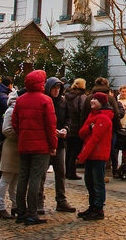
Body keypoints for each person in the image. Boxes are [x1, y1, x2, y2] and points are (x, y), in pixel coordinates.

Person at [12, 69, 57, 225]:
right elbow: (50, 126)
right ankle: (32, 213)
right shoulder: (46, 100)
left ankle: (21, 212)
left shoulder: (20, 100)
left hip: (24, 144)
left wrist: (23, 135)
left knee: (23, 178)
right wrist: (53, 145)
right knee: (35, 179)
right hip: (41, 146)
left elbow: (15, 123)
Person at [76, 91, 114, 221]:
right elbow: (81, 133)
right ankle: (92, 206)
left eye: (95, 100)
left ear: (101, 103)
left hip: (98, 154)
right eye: (92, 99)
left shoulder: (103, 118)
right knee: (89, 182)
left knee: (97, 183)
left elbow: (94, 139)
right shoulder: (92, 115)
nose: (92, 101)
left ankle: (98, 209)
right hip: (91, 154)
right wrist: (89, 129)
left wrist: (81, 157)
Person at [45, 77, 76, 212]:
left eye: (58, 88)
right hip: (46, 142)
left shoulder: (63, 102)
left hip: (60, 142)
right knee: (41, 174)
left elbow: (69, 119)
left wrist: (66, 129)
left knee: (60, 172)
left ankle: (61, 199)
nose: (56, 91)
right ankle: (39, 199)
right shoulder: (45, 101)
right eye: (54, 88)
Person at [0, 93, 20, 219]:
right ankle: (1, 207)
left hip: (17, 147)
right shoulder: (11, 110)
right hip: (11, 147)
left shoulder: (17, 109)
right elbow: (6, 130)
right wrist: (19, 137)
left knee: (15, 179)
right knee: (6, 178)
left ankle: (15, 205)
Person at [64, 78, 88, 181]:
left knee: (68, 150)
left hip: (69, 126)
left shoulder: (67, 96)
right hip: (78, 126)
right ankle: (72, 172)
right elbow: (83, 111)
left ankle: (66, 171)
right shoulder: (81, 97)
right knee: (75, 151)